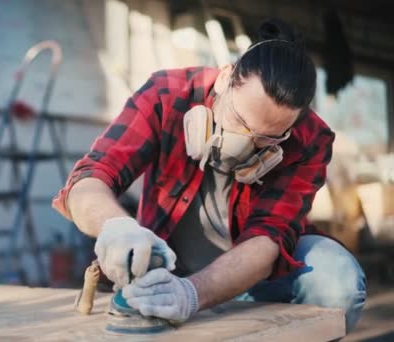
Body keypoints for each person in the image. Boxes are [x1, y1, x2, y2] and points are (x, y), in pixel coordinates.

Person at [52, 19, 366, 333]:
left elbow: (269, 238)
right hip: (170, 273)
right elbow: (90, 179)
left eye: (265, 138)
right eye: (239, 120)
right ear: (225, 77)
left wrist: (193, 294)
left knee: (336, 280)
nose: (243, 144)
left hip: (259, 276)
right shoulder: (167, 94)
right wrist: (116, 226)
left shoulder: (309, 139)